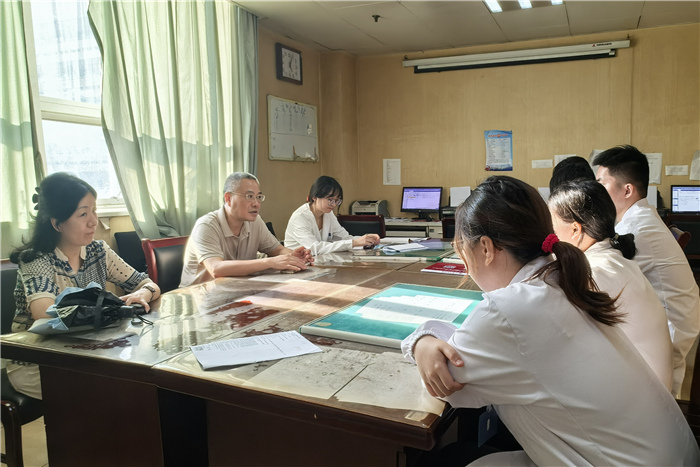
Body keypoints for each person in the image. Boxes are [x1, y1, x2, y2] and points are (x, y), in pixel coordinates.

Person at [401, 176, 698, 466]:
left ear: (486, 249)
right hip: (669, 451)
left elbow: (446, 381)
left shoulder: (509, 310)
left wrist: (421, 339)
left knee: (447, 458)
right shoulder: (562, 279)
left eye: (462, 251)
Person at [8, 173, 161, 400]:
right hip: (39, 362)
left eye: (94, 211)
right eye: (83, 214)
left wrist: (142, 293)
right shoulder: (36, 259)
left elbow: (148, 283)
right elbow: (45, 312)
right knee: (119, 390)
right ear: (56, 223)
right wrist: (109, 307)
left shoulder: (98, 251)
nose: (93, 221)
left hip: (87, 353)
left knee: (140, 378)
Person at [594, 145, 700, 396]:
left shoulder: (637, 228)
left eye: (601, 184)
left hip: (670, 332)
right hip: (669, 322)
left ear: (627, 190)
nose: (596, 192)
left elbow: (601, 278)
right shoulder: (639, 218)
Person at [548, 179, 673, 390]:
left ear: (576, 230)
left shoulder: (594, 271)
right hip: (649, 387)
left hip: (641, 395)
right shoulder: (615, 260)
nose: (551, 234)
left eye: (553, 225)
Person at [180, 172, 313, 286]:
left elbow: (277, 250)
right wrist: (270, 262)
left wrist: (293, 256)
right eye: (249, 196)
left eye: (258, 197)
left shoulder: (255, 222)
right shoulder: (206, 225)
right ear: (228, 198)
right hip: (197, 298)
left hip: (235, 291)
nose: (256, 204)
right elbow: (216, 268)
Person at [284, 176, 380, 255]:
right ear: (315, 197)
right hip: (297, 264)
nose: (333, 204)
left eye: (337, 200)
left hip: (320, 261)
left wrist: (366, 239)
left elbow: (344, 238)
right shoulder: (299, 217)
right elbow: (315, 248)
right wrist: (355, 242)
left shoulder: (328, 213)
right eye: (330, 199)